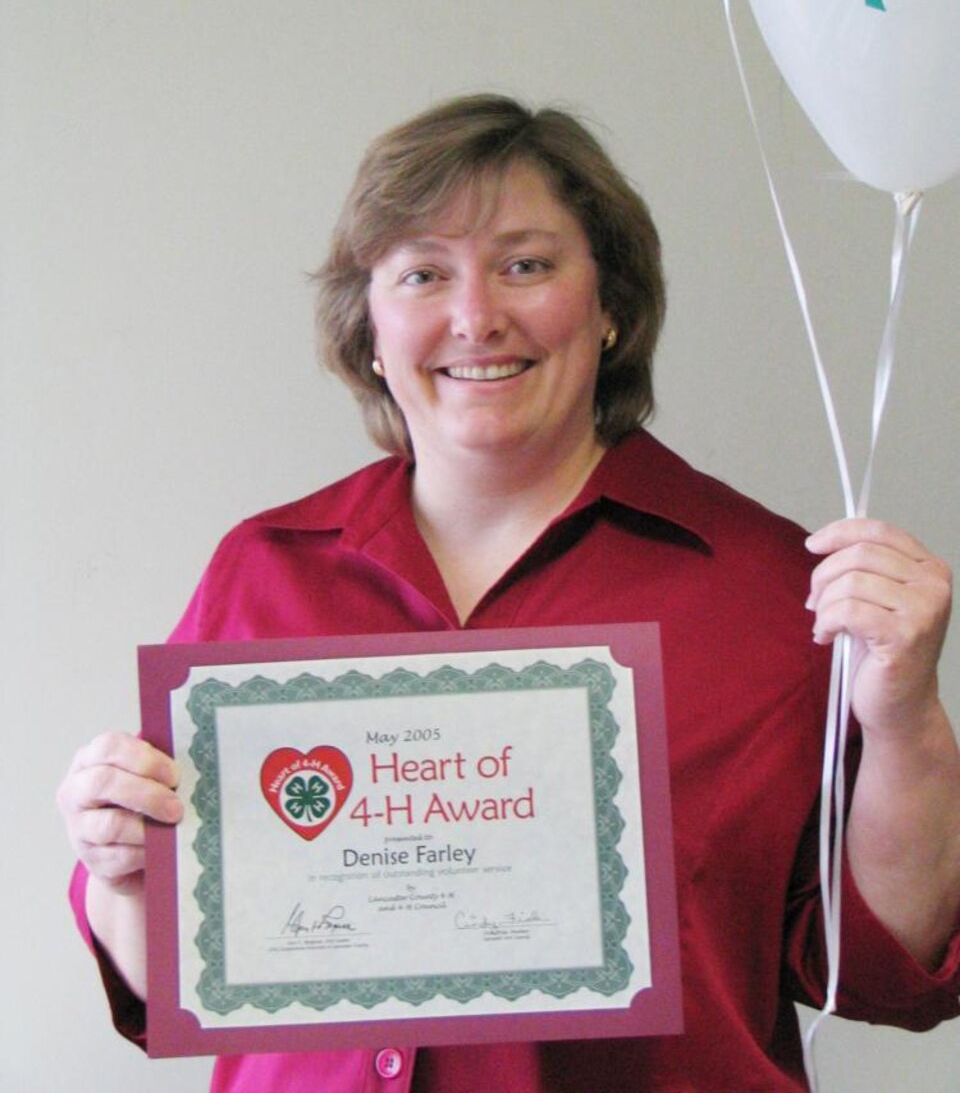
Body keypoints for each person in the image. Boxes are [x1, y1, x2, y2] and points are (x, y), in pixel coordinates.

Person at [58, 95, 960, 1092]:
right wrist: (122, 871)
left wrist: (909, 713)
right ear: (368, 326)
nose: (476, 315)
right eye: (423, 273)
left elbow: (887, 971)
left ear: (612, 305)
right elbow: (189, 985)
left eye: (526, 264)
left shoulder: (772, 589)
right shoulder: (262, 571)